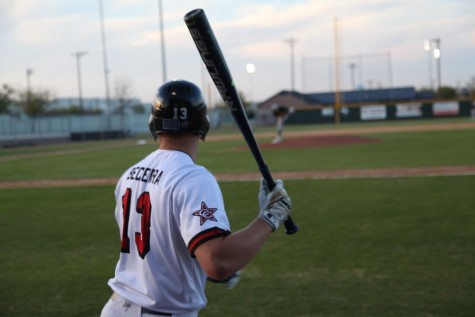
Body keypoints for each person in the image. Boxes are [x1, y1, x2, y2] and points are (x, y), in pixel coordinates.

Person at [100, 79, 292, 317]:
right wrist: (270, 217)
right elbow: (218, 263)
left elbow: (161, 249)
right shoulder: (193, 178)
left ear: (155, 123)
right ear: (203, 124)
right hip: (161, 312)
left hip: (116, 308)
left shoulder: (130, 174)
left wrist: (197, 264)